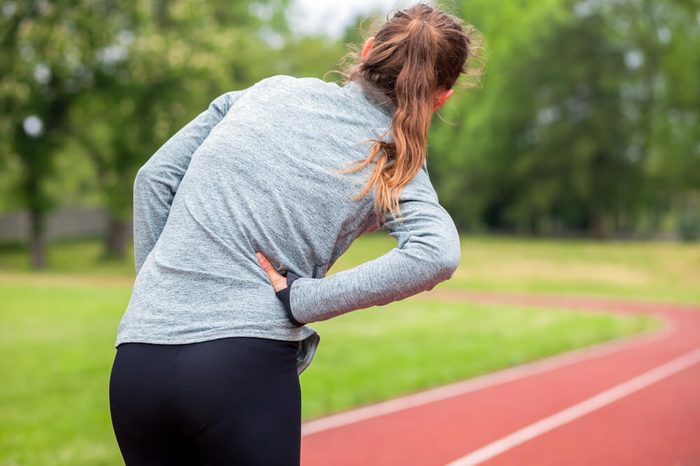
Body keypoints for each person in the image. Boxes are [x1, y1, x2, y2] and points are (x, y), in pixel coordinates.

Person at [109, 2, 480, 465]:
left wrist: (156, 295)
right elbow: (436, 254)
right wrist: (304, 301)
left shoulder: (266, 91)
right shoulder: (392, 157)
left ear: (366, 52)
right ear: (440, 96)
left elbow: (154, 178)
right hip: (238, 369)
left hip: (137, 365)